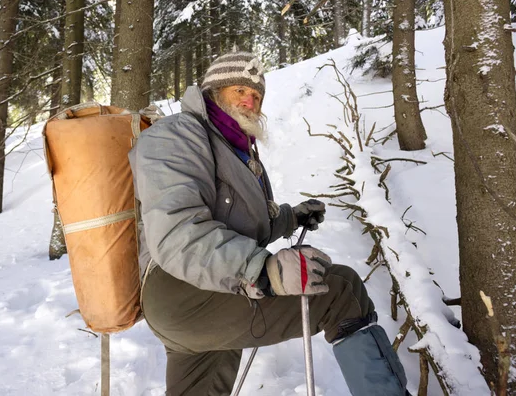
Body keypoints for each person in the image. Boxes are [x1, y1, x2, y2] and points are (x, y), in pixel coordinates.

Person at [128, 51, 408, 396]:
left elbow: (239, 224)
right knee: (338, 290)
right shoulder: (178, 134)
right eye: (239, 90)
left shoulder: (233, 148)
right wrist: (262, 269)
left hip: (209, 291)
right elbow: (176, 232)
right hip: (186, 291)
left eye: (256, 95)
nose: (249, 100)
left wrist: (292, 217)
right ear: (213, 92)